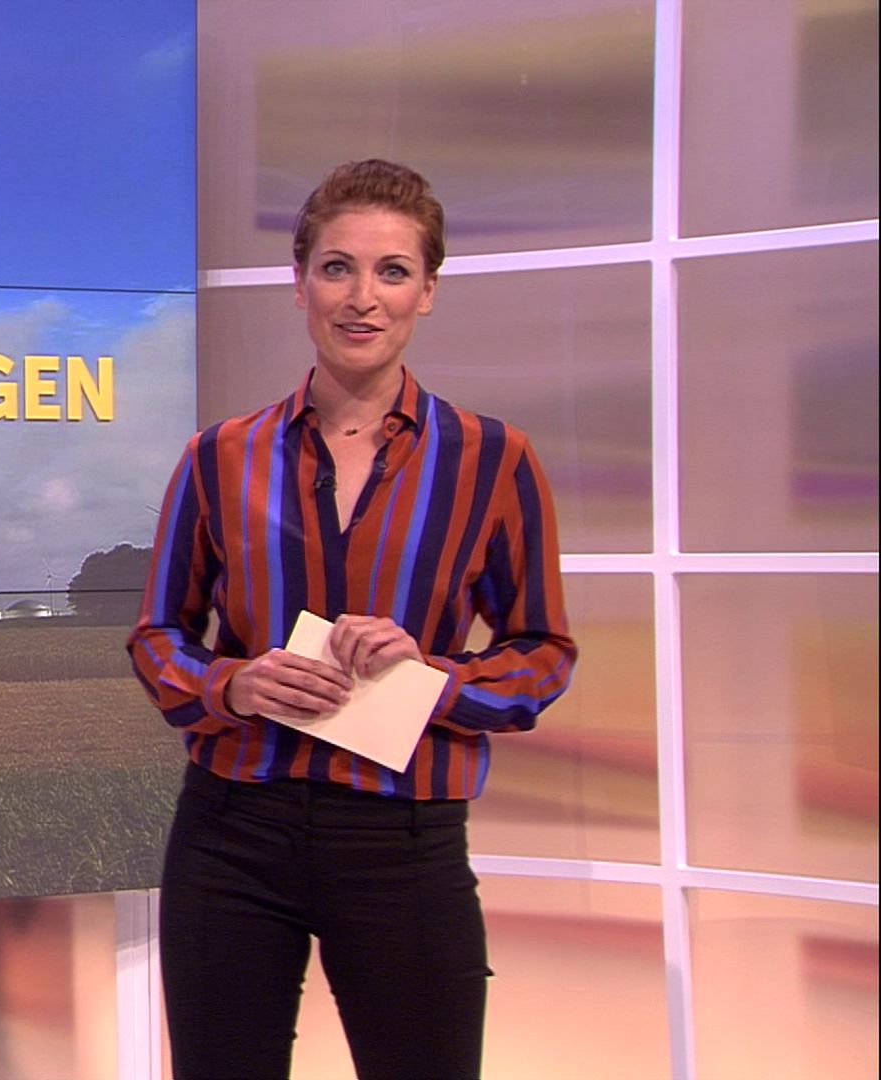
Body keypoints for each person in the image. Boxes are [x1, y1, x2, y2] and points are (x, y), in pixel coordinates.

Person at [127, 159, 576, 1080]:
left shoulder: (494, 459)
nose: (362, 297)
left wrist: (434, 677)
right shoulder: (219, 456)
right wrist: (233, 684)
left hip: (402, 840)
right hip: (232, 834)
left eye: (392, 271)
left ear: (427, 292)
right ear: (300, 285)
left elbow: (542, 655)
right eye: (337, 268)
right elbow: (156, 637)